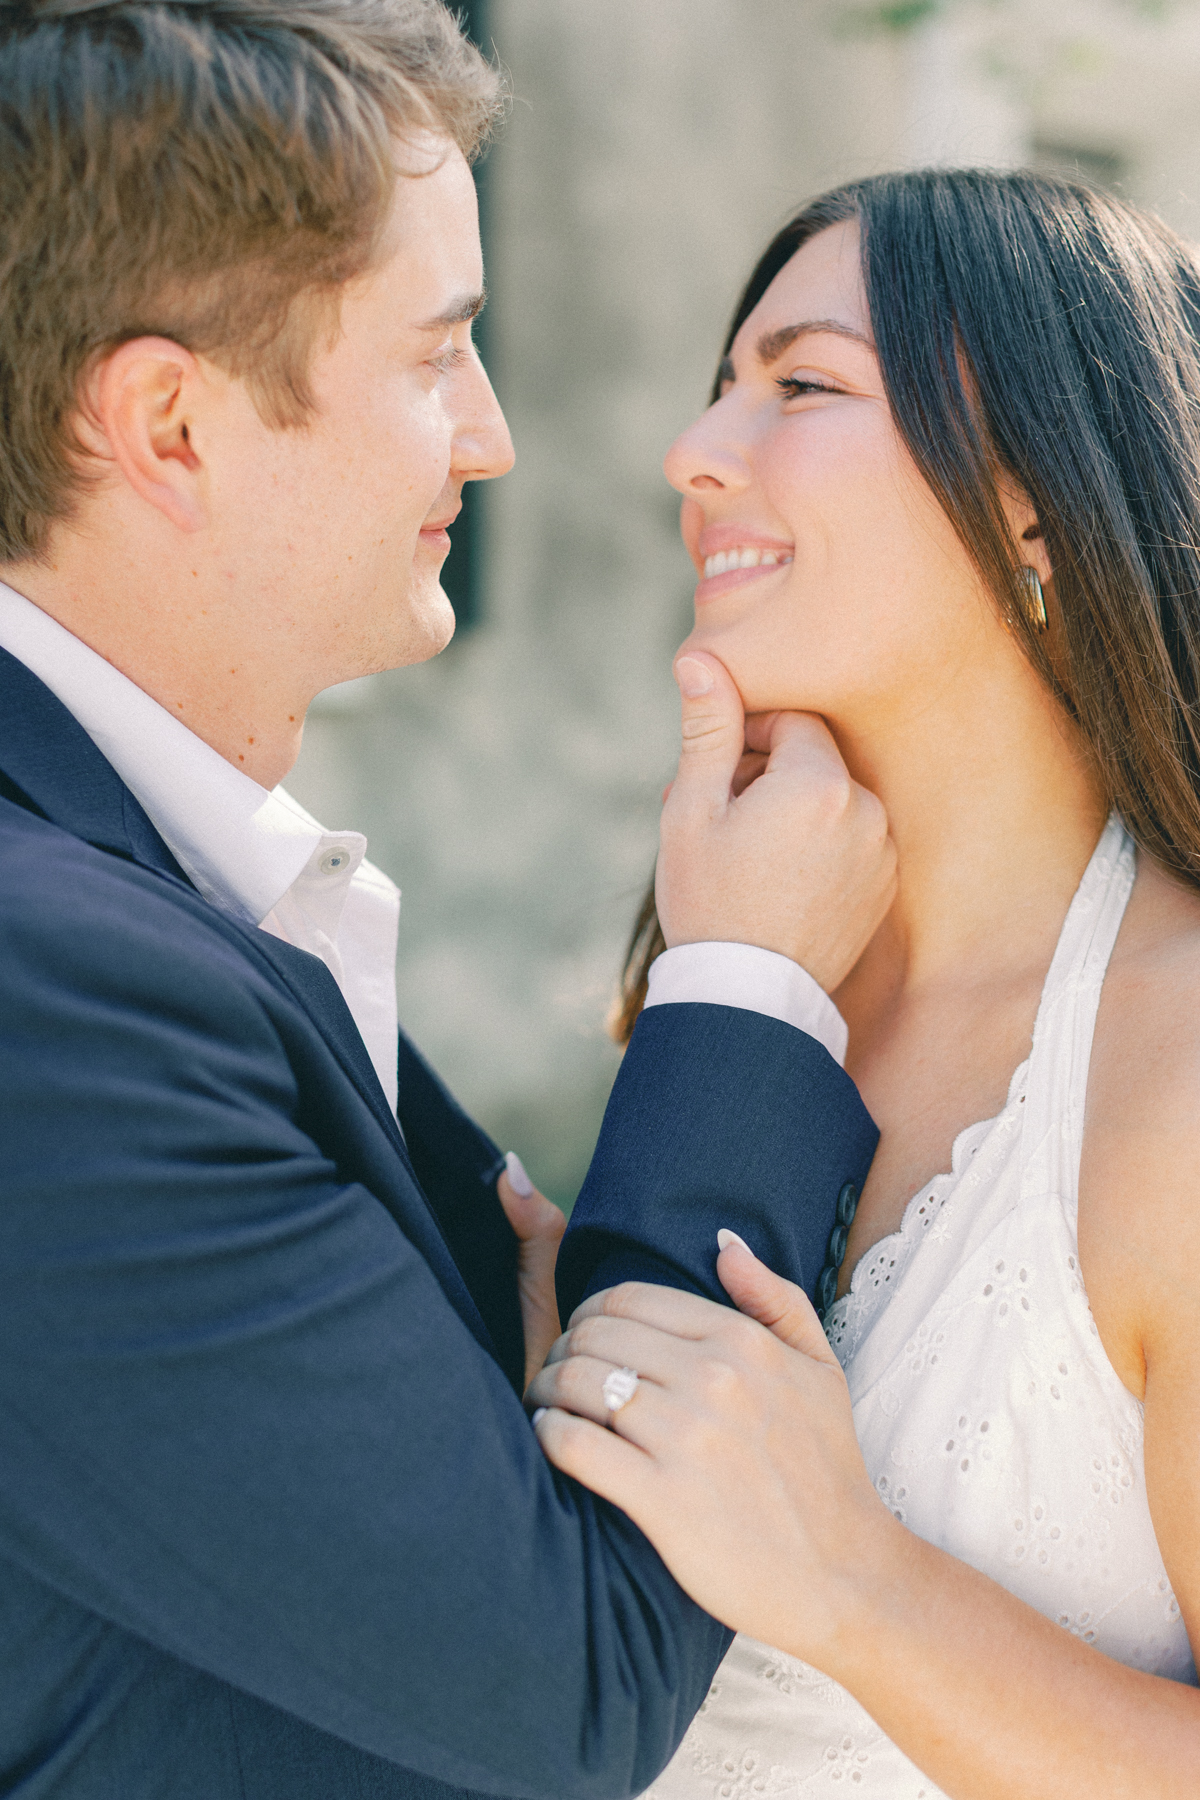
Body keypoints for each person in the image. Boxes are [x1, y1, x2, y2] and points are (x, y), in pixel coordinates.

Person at [0, 4, 902, 1797]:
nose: (489, 439)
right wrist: (742, 987)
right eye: (438, 355)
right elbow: (565, 1688)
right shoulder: (53, 989)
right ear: (169, 425)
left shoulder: (138, 890)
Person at [532, 169, 1200, 1798]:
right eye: (720, 388)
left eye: (803, 384)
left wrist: (853, 1578)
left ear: (1035, 495)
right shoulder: (740, 983)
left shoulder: (1176, 1069)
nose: (694, 456)